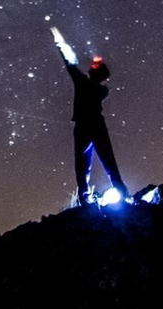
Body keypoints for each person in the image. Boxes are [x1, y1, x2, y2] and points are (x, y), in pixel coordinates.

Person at [51, 26, 130, 206]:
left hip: (85, 127)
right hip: (95, 126)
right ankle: (119, 191)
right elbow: (71, 65)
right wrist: (60, 43)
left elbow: (70, 63)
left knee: (84, 164)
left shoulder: (89, 85)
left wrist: (60, 42)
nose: (91, 68)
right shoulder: (101, 89)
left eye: (94, 68)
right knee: (105, 160)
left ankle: (85, 198)